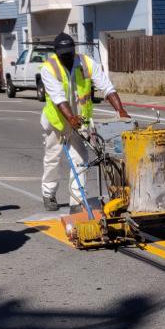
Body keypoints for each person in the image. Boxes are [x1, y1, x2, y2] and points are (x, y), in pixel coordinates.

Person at [39, 32, 128, 212]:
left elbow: (106, 86)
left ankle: (77, 201)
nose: (68, 57)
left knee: (81, 160)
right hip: (57, 123)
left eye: (70, 53)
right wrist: (70, 118)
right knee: (52, 159)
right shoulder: (49, 69)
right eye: (64, 54)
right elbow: (58, 98)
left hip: (79, 122)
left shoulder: (86, 63)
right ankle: (48, 193)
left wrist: (120, 110)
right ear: (57, 52)